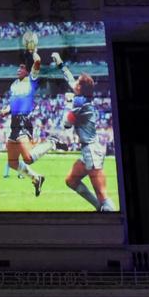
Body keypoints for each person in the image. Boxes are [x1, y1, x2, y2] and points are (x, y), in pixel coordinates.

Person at [57, 53, 115, 212]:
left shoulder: (79, 103)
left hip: (91, 151)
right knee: (71, 181)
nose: (73, 83)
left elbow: (66, 124)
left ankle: (113, 222)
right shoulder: (82, 98)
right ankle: (99, 208)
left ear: (80, 88)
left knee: (103, 195)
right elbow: (70, 81)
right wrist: (61, 64)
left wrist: (68, 102)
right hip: (89, 150)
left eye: (77, 83)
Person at [2, 47, 46, 195]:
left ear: (27, 70)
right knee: (12, 162)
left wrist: (34, 51)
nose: (18, 70)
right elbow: (13, 102)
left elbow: (38, 61)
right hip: (14, 123)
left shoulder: (31, 81)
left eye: (21, 68)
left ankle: (51, 142)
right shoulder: (14, 85)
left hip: (23, 121)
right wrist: (6, 110)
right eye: (18, 67)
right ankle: (36, 178)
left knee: (27, 158)